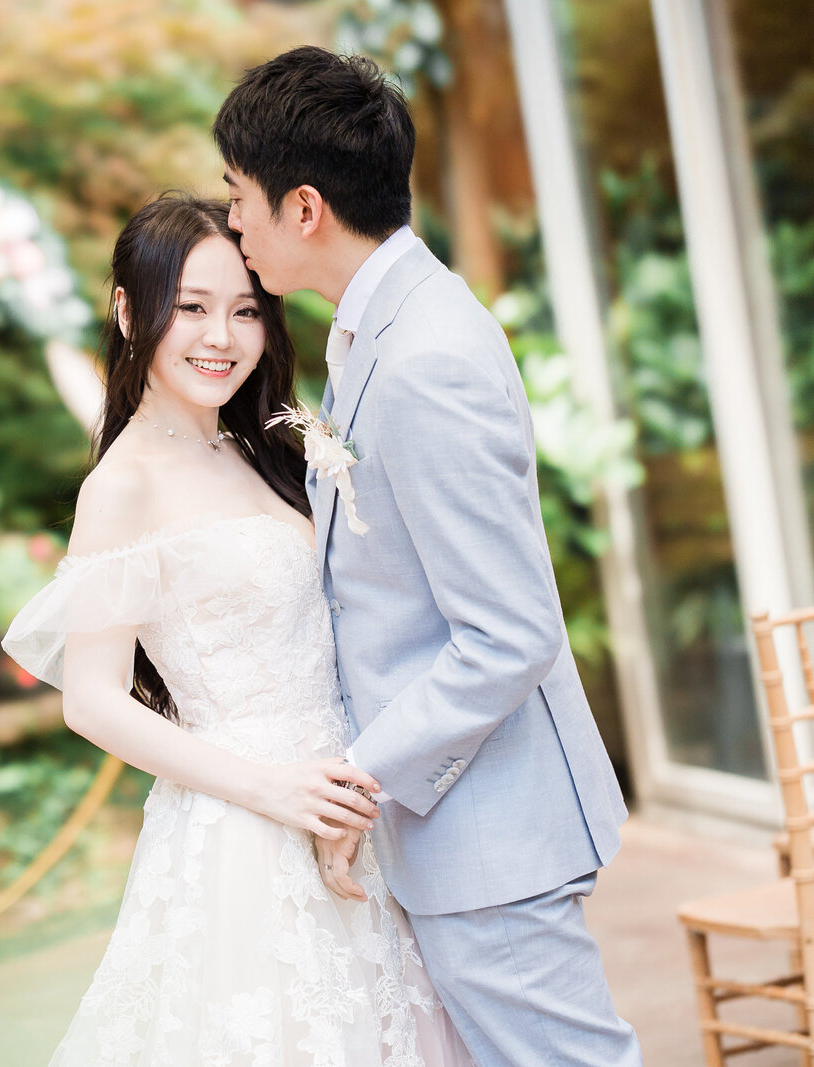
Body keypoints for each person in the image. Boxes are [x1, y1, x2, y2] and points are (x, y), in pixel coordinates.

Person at [214, 47, 640, 1065]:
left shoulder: (424, 357)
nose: (232, 222)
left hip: (491, 834)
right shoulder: (377, 328)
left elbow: (510, 632)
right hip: (459, 828)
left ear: (303, 206)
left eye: (239, 196)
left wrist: (359, 776)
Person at [3, 193, 471, 1065]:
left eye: (245, 310)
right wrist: (273, 790)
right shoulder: (123, 485)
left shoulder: (263, 446)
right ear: (126, 309)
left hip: (347, 805)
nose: (221, 335)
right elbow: (93, 704)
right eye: (191, 307)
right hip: (245, 827)